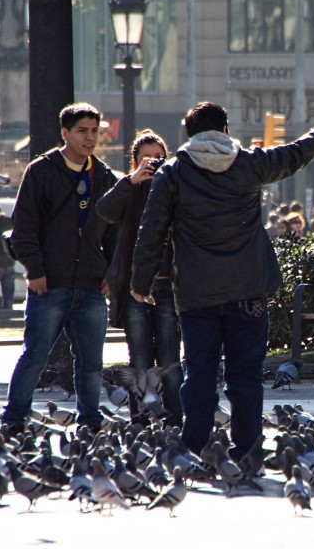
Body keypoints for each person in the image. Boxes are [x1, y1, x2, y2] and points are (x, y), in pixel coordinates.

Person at [131, 101, 314, 460]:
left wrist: (140, 283)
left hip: (197, 292)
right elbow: (295, 154)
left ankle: (194, 445)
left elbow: (151, 230)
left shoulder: (173, 172)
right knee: (245, 375)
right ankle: (247, 448)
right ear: (226, 131)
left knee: (199, 374)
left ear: (189, 136)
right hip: (248, 288)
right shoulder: (248, 164)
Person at [0, 102, 118, 435]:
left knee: (92, 365)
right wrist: (35, 270)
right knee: (35, 356)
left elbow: (115, 232)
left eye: (95, 131)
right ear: (64, 134)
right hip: (48, 284)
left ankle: (90, 421)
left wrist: (111, 272)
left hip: (91, 287)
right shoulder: (41, 171)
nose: (90, 138)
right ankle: (13, 419)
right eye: (82, 131)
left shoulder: (104, 175)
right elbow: (24, 227)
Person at [96, 129, 183, 426]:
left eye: (159, 158)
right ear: (134, 162)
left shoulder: (175, 186)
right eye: (146, 159)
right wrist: (132, 182)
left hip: (167, 286)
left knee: (170, 358)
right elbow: (104, 211)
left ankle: (174, 417)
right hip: (135, 287)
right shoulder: (129, 188)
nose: (153, 163)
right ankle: (141, 417)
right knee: (141, 359)